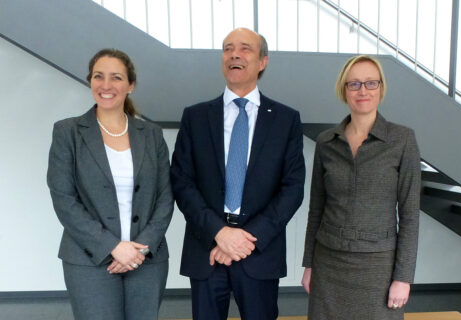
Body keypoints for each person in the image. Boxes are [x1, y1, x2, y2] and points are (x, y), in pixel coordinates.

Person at [170, 28, 305, 320]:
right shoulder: (195, 117)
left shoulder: (286, 120)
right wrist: (220, 233)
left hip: (258, 252)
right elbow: (182, 182)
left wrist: (245, 239)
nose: (234, 54)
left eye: (245, 49)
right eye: (228, 48)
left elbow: (292, 188)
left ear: (262, 62)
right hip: (206, 248)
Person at [47, 49, 173, 320]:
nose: (106, 85)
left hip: (147, 260)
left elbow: (165, 197)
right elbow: (64, 199)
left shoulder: (151, 134)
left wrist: (141, 247)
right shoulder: (67, 132)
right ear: (90, 81)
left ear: (130, 85)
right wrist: (114, 247)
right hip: (88, 259)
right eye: (98, 76)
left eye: (116, 78)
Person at [301, 55, 421, 319]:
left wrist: (403, 277)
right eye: (353, 84)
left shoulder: (402, 140)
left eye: (370, 83)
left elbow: (410, 215)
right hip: (328, 263)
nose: (362, 91)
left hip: (378, 266)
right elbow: (316, 208)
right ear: (344, 90)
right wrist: (309, 264)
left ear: (381, 88)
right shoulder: (326, 141)